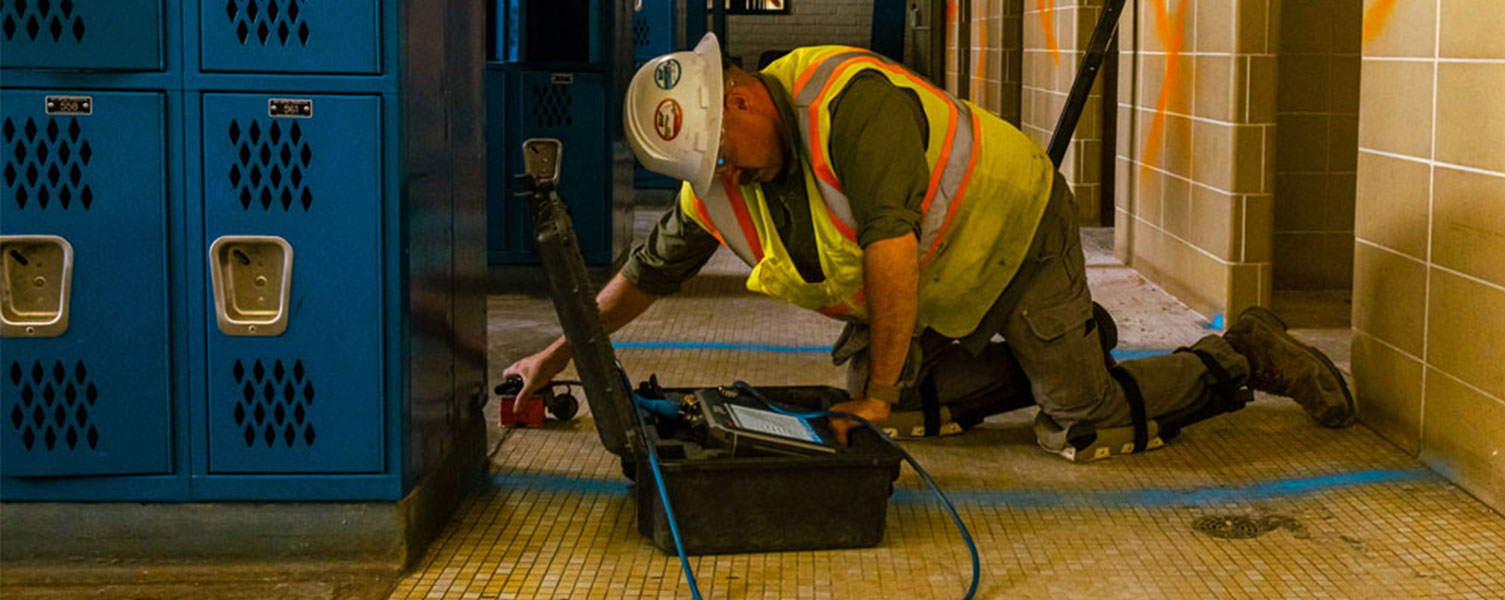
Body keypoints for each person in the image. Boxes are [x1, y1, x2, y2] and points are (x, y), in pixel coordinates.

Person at [503, 34, 1355, 461]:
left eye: (723, 153)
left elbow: (890, 258)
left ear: (746, 102)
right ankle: (1063, 347)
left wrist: (876, 390)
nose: (724, 174)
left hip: (1012, 234)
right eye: (708, 166)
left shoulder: (850, 105)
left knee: (1080, 434)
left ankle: (1240, 355)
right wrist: (551, 358)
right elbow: (644, 277)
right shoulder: (719, 184)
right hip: (942, 284)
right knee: (890, 421)